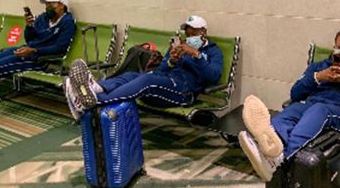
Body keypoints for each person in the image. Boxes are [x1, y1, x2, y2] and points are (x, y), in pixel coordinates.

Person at [238, 26, 340, 181]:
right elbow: (295, 93)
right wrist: (319, 77)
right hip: (310, 107)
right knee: (289, 113)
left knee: (319, 110)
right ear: (334, 49)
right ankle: (270, 150)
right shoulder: (319, 67)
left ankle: (280, 161)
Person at [64, 15, 223, 121]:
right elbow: (161, 71)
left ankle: (93, 102)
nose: (189, 37)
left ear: (203, 32)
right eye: (187, 33)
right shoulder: (179, 46)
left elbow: (213, 76)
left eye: (193, 33)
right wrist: (171, 61)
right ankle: (96, 88)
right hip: (164, 84)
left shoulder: (214, 52)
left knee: (147, 80)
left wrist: (196, 54)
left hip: (183, 92)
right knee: (132, 75)